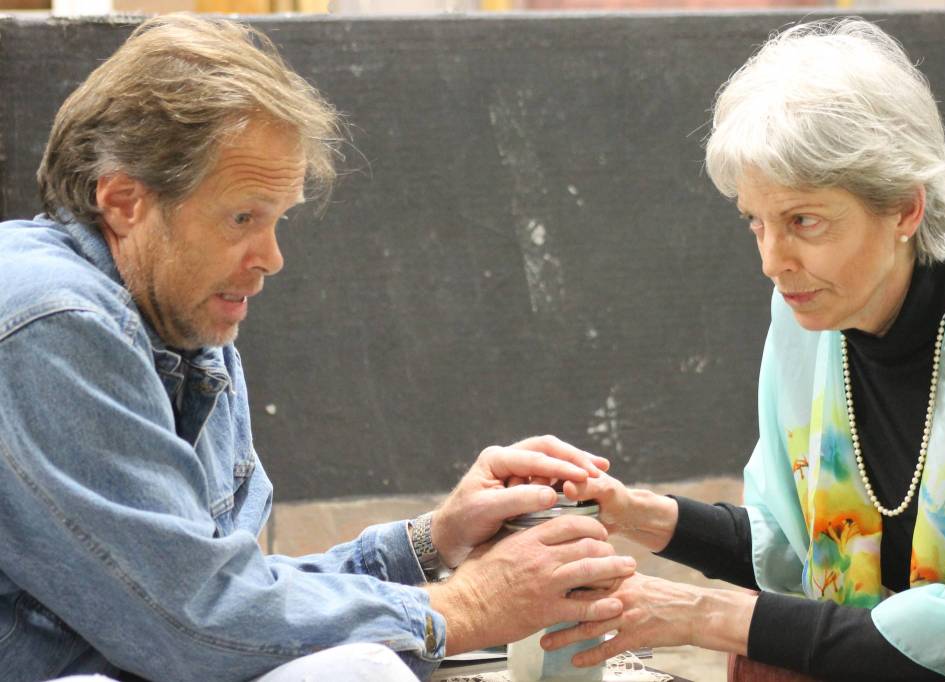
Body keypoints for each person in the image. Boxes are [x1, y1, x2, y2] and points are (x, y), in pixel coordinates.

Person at [0, 14, 637, 682]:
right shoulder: (49, 322)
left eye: (279, 219)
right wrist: (467, 604)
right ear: (125, 201)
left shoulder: (184, 328)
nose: (271, 258)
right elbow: (194, 623)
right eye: (242, 217)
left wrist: (429, 544)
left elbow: (233, 597)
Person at [540, 18, 945, 682]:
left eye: (803, 221)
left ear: (907, 209)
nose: (773, 261)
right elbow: (796, 554)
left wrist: (703, 616)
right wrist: (643, 516)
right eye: (756, 222)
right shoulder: (809, 317)